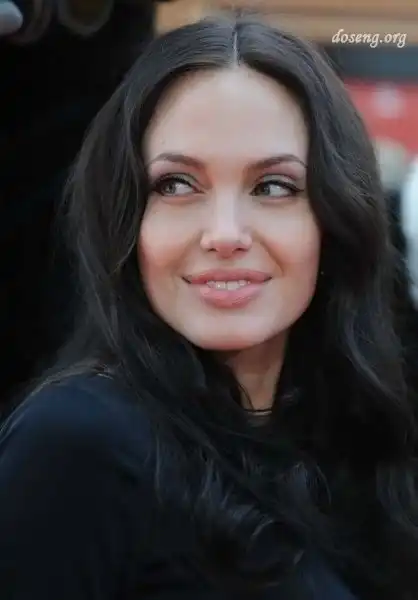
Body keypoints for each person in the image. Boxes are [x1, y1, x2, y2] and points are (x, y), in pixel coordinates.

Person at [0, 15, 417, 600]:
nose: (224, 234)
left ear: (335, 220)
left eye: (273, 187)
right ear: (125, 219)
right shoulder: (75, 446)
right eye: (176, 185)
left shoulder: (352, 448)